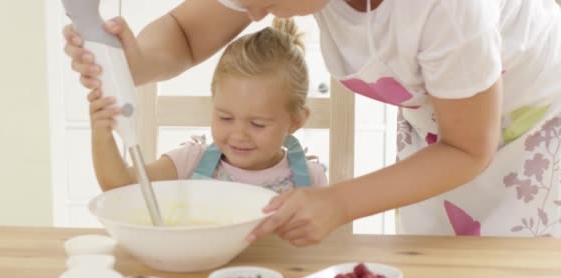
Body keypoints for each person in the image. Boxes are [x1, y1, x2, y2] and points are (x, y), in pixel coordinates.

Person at [64, 0, 561, 244]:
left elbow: (466, 147)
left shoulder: (448, 9)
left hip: (529, 131)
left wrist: (338, 201)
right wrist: (135, 61)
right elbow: (186, 36)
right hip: (442, 129)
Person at [88, 17, 327, 196]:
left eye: (258, 124)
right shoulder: (190, 161)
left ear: (295, 120)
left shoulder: (310, 179)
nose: (239, 134)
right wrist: (102, 135)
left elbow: (322, 250)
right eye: (225, 118)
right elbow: (123, 188)